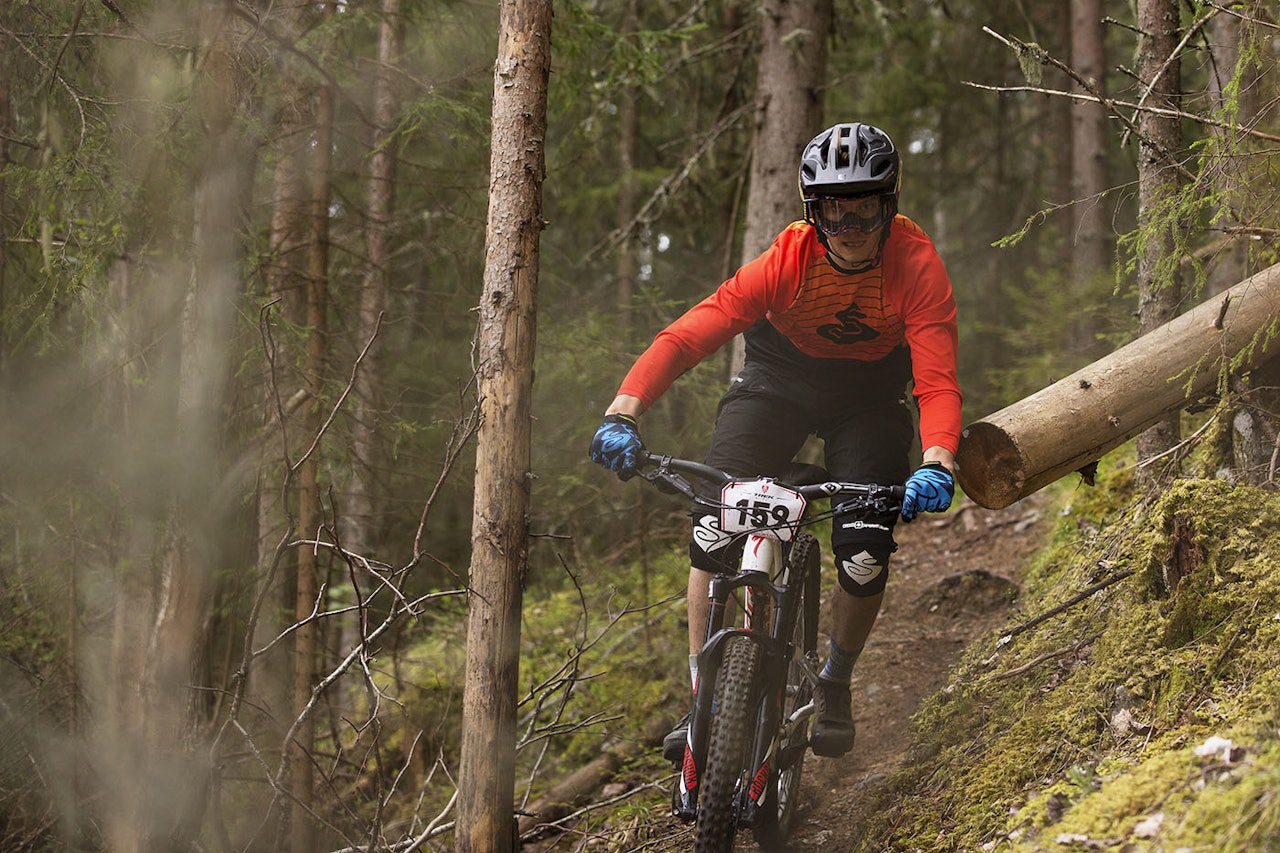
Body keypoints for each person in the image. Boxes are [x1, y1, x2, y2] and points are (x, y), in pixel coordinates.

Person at [589, 122, 960, 760]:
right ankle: (703, 694)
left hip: (867, 399)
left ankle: (835, 681)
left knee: (864, 552)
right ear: (811, 212)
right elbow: (689, 336)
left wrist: (936, 461)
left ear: (888, 205)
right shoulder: (787, 259)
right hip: (778, 381)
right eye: (832, 214)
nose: (849, 231)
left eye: (864, 210)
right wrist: (623, 411)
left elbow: (936, 380)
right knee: (712, 528)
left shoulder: (916, 265)